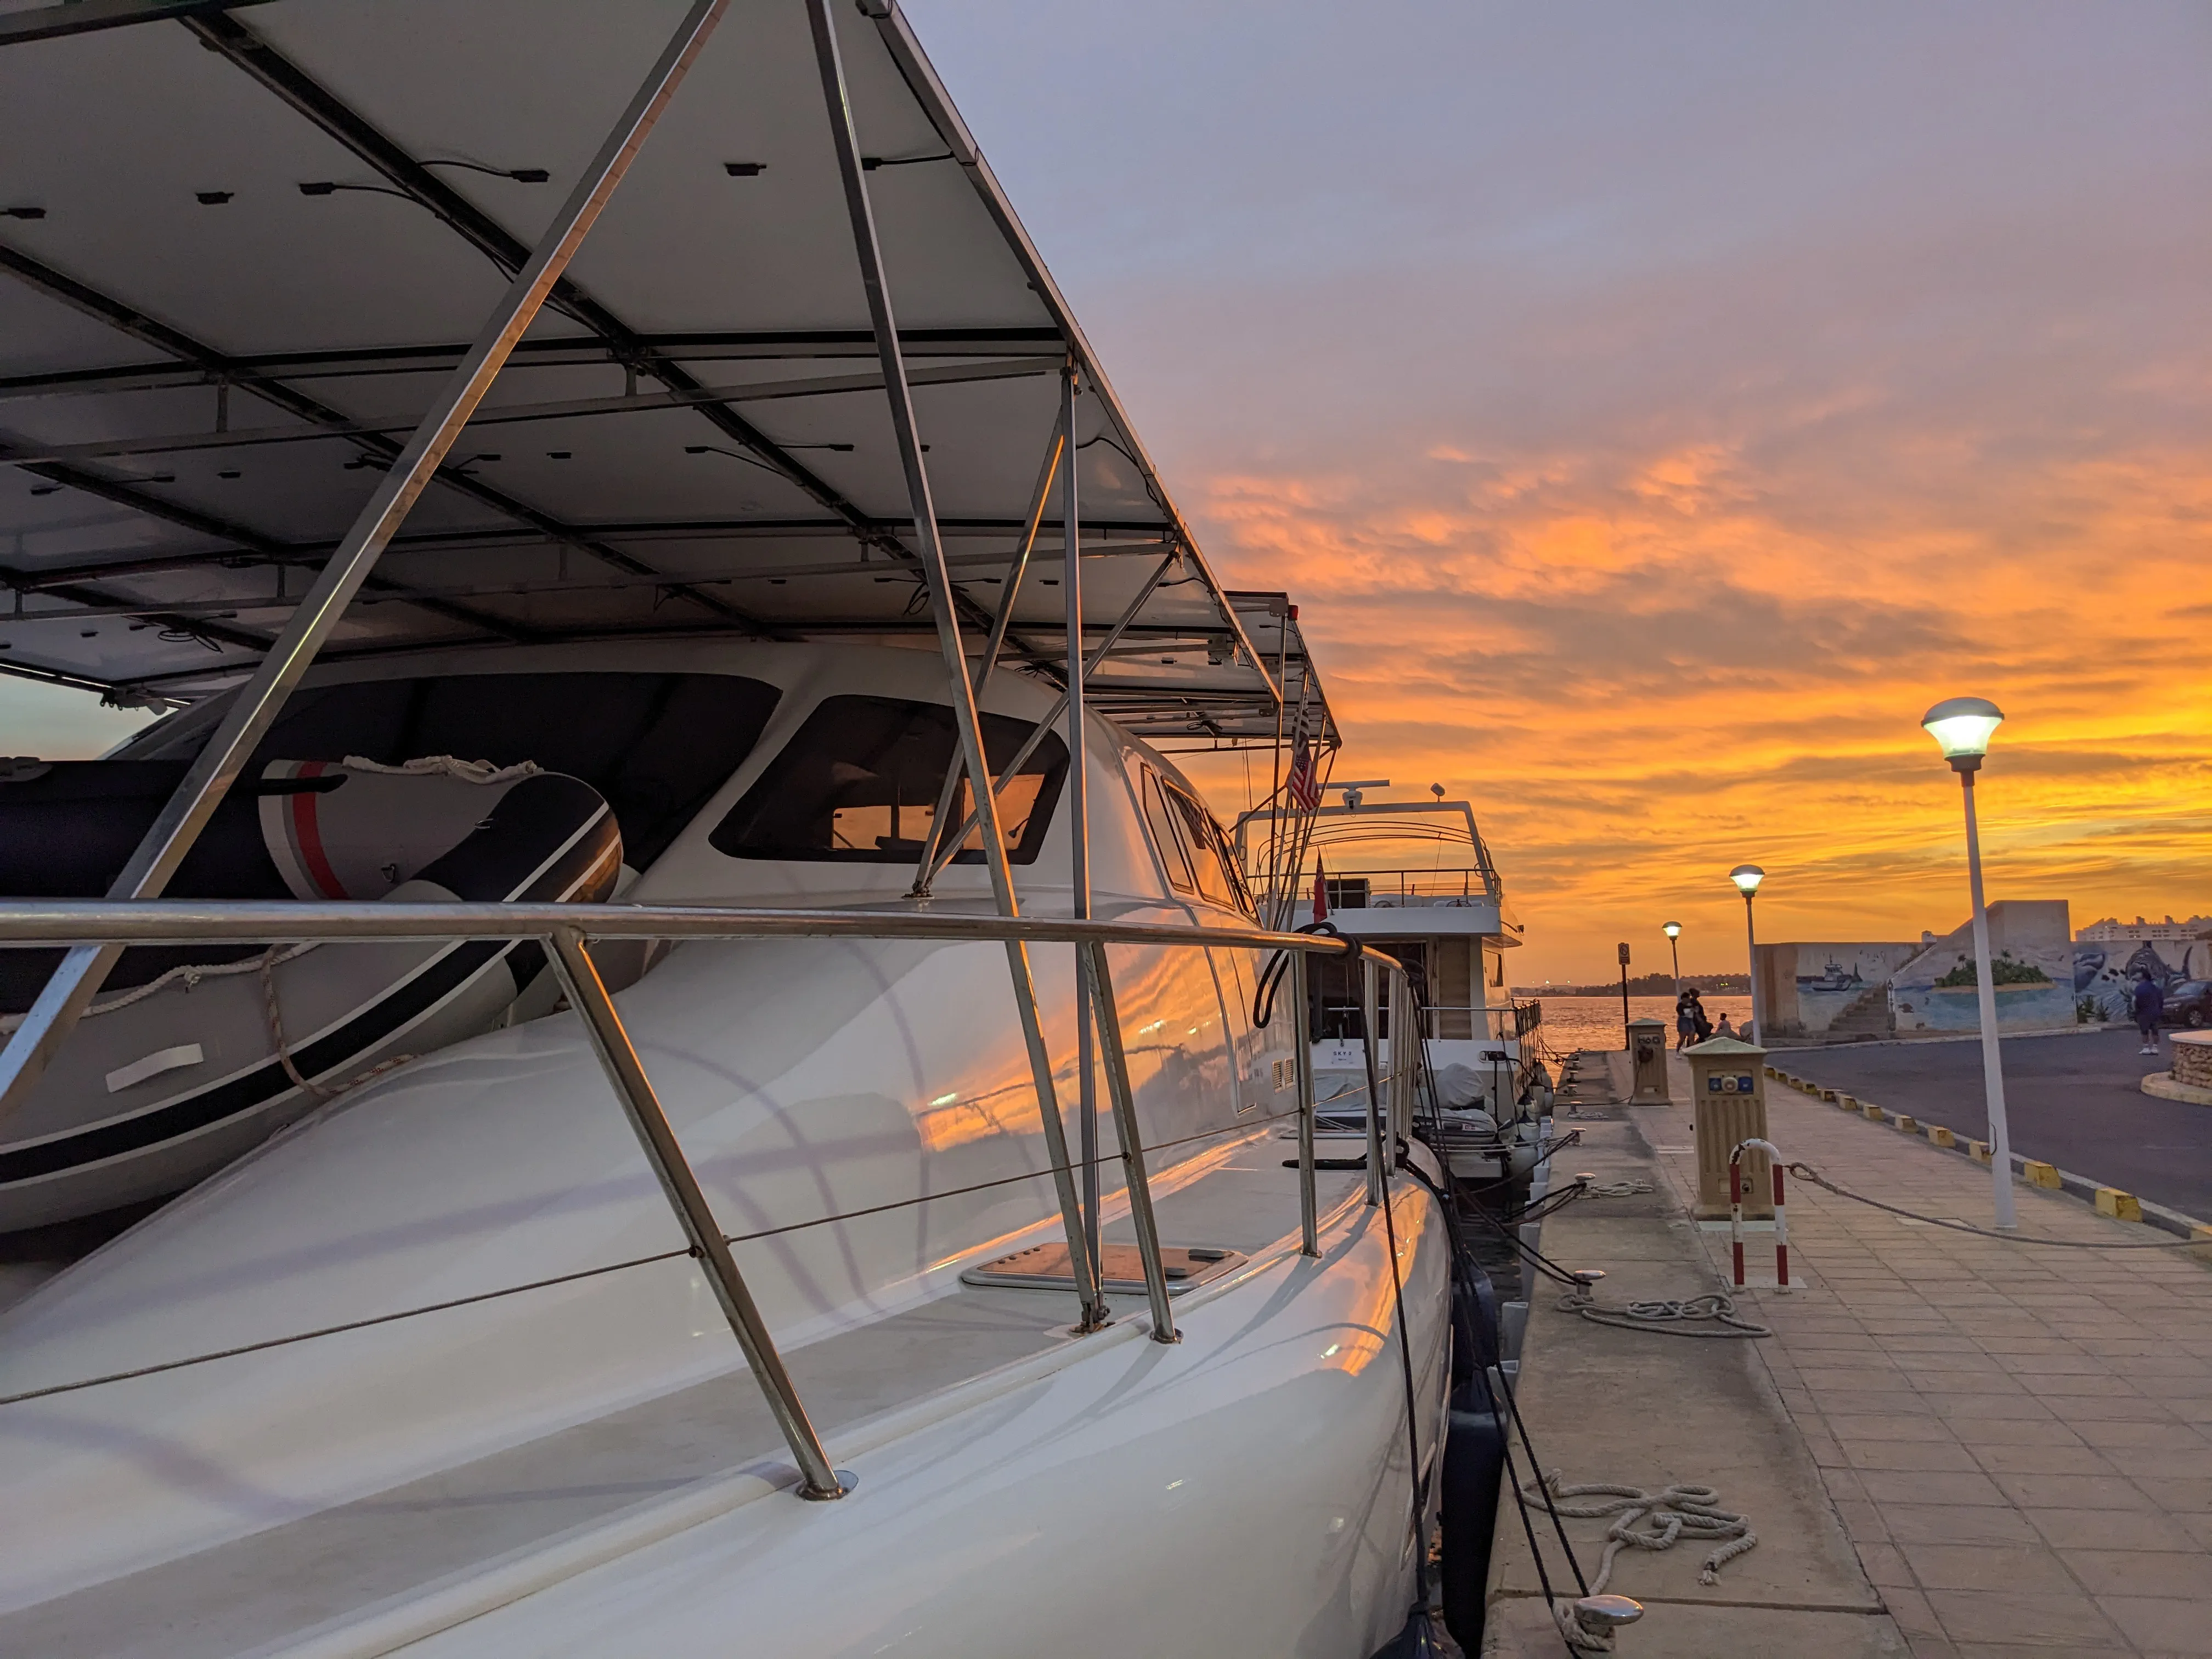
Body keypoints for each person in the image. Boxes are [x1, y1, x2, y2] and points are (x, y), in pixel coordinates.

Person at [2133, 970, 2165, 1055]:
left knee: (2144, 1031)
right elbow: (2161, 1001)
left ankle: (2146, 1048)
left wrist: (2136, 1012)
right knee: (2155, 1031)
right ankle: (2155, 1047)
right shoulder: (2157, 989)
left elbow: (2136, 1001)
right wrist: (2160, 1010)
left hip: (2143, 1013)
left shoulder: (2139, 988)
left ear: (2143, 978)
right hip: (2155, 1013)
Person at [1675, 987, 1700, 1051]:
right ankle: (1677, 1051)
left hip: (1690, 1021)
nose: (1689, 999)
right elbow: (1682, 1014)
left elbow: (1696, 1010)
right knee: (1682, 1039)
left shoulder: (1691, 1004)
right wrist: (1690, 1010)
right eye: (1688, 998)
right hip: (1683, 1022)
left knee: (1692, 1037)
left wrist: (1695, 1009)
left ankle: (1691, 1051)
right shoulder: (1680, 1006)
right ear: (1684, 998)